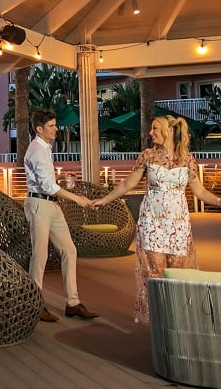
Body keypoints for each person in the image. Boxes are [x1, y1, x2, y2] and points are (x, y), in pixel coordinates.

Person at [91, 114, 221, 324]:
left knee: (179, 274)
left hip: (178, 225)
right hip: (152, 222)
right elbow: (127, 184)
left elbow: (200, 192)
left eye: (155, 129)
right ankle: (161, 321)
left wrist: (218, 201)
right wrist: (104, 200)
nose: (150, 133)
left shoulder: (187, 160)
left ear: (170, 131)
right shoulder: (148, 156)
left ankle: (179, 320)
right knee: (154, 273)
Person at [24, 108, 99, 322]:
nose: (56, 129)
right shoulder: (37, 150)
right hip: (39, 203)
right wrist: (78, 199)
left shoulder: (45, 148)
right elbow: (47, 185)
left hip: (51, 205)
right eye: (51, 126)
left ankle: (73, 303)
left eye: (55, 125)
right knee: (40, 256)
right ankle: (34, 305)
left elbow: (49, 183)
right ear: (39, 129)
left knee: (69, 250)